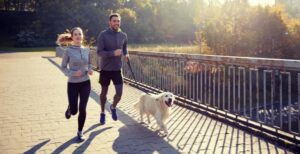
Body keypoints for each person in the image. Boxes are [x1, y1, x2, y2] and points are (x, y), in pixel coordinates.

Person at [57, 27, 93, 141]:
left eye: (80, 34)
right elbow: (62, 67)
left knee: (83, 109)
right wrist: (72, 73)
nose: (78, 36)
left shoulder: (87, 50)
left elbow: (90, 64)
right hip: (73, 83)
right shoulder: (68, 51)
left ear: (82, 36)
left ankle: (80, 132)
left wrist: (90, 69)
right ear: (72, 37)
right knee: (74, 111)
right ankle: (70, 108)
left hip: (85, 83)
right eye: (76, 34)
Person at [97, 13, 129, 125]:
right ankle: (102, 112)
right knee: (104, 93)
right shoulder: (103, 35)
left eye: (118, 21)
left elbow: (125, 48)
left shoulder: (123, 35)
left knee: (119, 93)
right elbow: (99, 52)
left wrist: (126, 54)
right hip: (105, 69)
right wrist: (113, 53)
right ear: (109, 22)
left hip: (117, 69)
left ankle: (113, 107)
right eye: (114, 21)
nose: (116, 23)